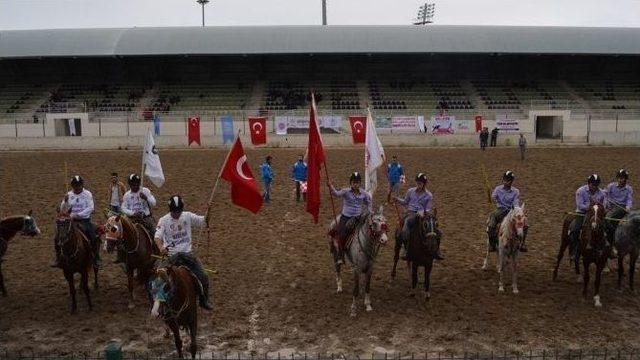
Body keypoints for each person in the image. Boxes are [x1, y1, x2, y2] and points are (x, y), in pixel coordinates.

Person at [154, 195, 213, 310]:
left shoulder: (188, 216)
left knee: (204, 277)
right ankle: (157, 304)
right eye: (174, 211)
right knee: (158, 277)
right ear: (170, 210)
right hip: (172, 256)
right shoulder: (163, 220)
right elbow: (157, 236)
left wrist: (208, 210)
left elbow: (203, 222)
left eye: (179, 211)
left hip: (188, 255)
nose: (177, 213)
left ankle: (203, 300)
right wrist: (161, 247)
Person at [392, 173, 444, 260]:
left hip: (423, 216)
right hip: (410, 214)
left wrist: (421, 213)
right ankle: (405, 248)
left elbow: (428, 209)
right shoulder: (410, 191)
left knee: (437, 230)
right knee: (405, 227)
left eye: (420, 183)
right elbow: (405, 202)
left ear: (424, 184)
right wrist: (397, 199)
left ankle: (437, 250)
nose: (418, 185)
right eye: (417, 183)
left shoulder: (429, 195)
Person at [51, 175, 99, 267]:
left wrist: (77, 215)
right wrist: (65, 202)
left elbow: (91, 208)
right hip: (70, 221)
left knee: (93, 236)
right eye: (75, 186)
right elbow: (62, 209)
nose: (77, 187)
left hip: (84, 221)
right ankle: (58, 258)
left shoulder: (88, 194)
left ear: (82, 185)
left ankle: (96, 258)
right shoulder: (68, 195)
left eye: (79, 185)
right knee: (57, 236)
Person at [328, 172, 373, 264]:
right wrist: (330, 186)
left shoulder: (364, 193)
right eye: (354, 182)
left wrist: (370, 211)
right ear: (351, 183)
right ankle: (340, 255)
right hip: (346, 217)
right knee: (341, 233)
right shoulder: (346, 191)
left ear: (360, 183)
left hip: (358, 217)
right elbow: (336, 194)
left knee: (370, 230)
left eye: (357, 182)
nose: (355, 184)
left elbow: (368, 203)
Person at [487, 171, 527, 252]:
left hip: (512, 211)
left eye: (508, 180)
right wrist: (491, 197)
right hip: (500, 210)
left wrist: (516, 210)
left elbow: (516, 202)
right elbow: (493, 197)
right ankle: (492, 244)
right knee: (492, 220)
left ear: (512, 181)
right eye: (505, 179)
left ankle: (522, 243)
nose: (506, 181)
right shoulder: (498, 189)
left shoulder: (516, 191)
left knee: (525, 223)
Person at [569, 174, 606, 259]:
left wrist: (599, 208)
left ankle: (604, 246)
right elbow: (580, 205)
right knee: (576, 229)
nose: (595, 187)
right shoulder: (580, 191)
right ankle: (575, 249)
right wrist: (590, 207)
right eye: (593, 184)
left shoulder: (601, 193)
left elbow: (604, 205)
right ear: (589, 183)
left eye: (596, 185)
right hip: (582, 213)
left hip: (596, 213)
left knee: (606, 227)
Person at [605, 169, 633, 249]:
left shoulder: (629, 189)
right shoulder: (610, 186)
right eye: (620, 178)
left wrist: (628, 207)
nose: (621, 180)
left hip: (621, 208)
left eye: (623, 178)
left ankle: (613, 234)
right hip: (611, 207)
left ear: (626, 179)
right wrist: (606, 206)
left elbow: (629, 199)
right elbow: (605, 195)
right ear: (617, 178)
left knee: (608, 217)